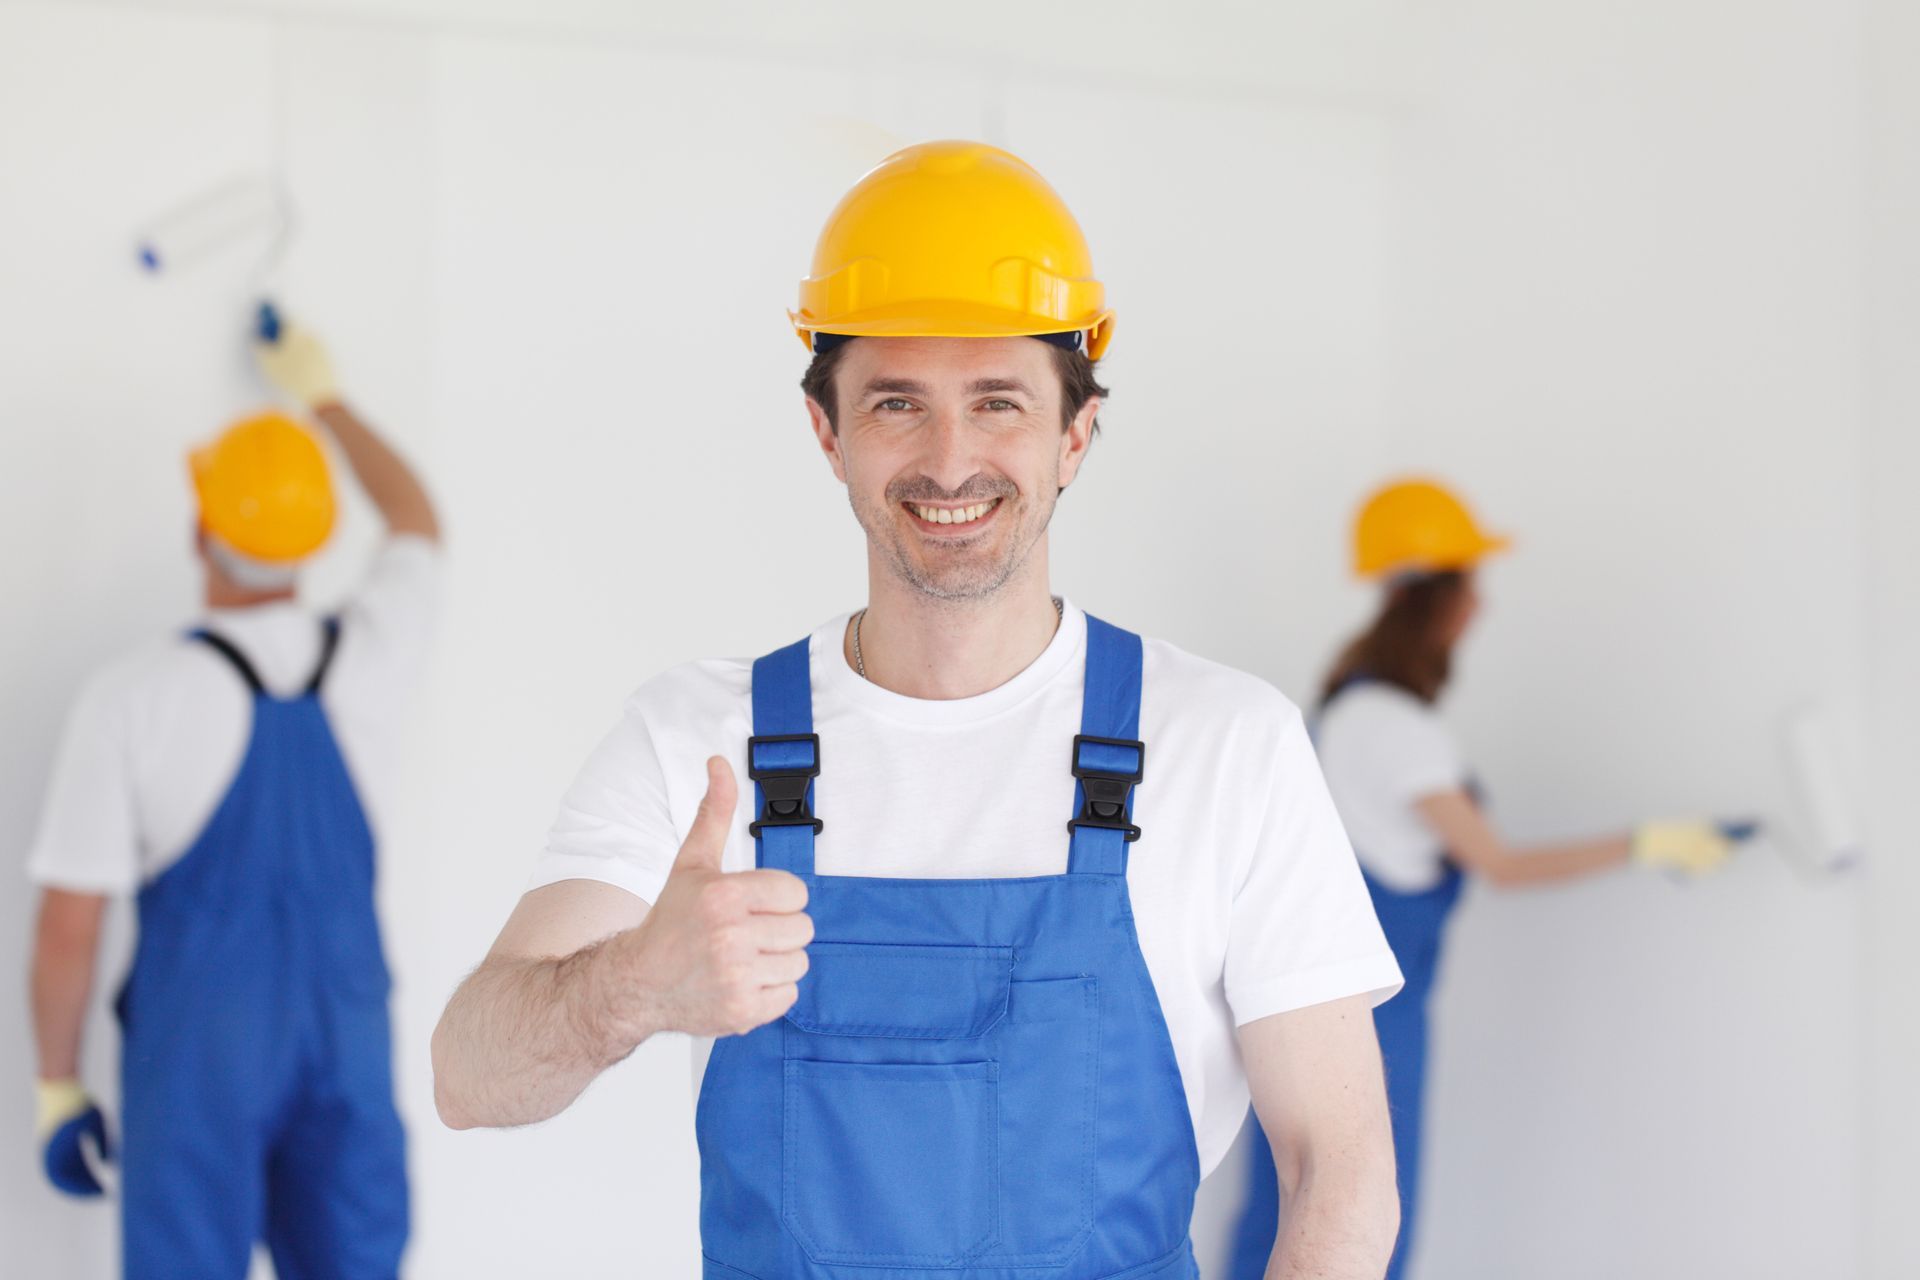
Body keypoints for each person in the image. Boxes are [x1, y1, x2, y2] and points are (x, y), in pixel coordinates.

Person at [432, 140, 1404, 1278]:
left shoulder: (1224, 744)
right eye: (898, 402)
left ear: (1074, 434)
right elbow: (469, 1076)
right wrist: (637, 981)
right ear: (828, 432)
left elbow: (1340, 1172)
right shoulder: (699, 744)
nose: (951, 461)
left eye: (998, 401)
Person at [1227, 477, 1748, 1280]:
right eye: (1475, 585)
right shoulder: (1397, 729)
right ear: (1442, 595)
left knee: (1291, 1212)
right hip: (1377, 1018)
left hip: (1308, 1008)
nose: (1483, 607)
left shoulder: (1348, 711)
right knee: (1363, 1224)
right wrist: (1648, 843)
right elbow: (1498, 865)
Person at [27, 318, 442, 1279]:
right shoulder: (376, 652)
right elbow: (417, 520)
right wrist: (323, 395)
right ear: (316, 541)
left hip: (200, 1055)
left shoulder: (131, 698)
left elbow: (67, 929)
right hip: (345, 1035)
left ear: (201, 530)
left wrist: (58, 1087)